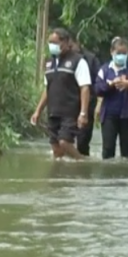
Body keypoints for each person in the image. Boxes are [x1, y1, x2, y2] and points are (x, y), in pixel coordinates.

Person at [30, 27, 91, 159]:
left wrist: (83, 113)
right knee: (56, 148)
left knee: (64, 142)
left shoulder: (78, 61)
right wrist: (38, 111)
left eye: (56, 43)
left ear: (67, 42)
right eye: (50, 43)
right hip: (53, 111)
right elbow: (47, 89)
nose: (53, 46)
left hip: (70, 112)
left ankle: (83, 163)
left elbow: (85, 88)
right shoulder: (49, 63)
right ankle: (60, 175)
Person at [94, 36, 128, 160]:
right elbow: (97, 89)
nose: (121, 56)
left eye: (124, 53)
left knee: (127, 151)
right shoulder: (105, 70)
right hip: (109, 115)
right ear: (112, 52)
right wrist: (110, 85)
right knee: (107, 150)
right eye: (118, 53)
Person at [73, 36, 101, 157]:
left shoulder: (91, 59)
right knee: (63, 140)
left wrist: (99, 103)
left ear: (77, 42)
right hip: (67, 104)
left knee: (83, 141)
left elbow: (98, 82)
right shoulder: (60, 59)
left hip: (87, 104)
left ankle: (82, 169)